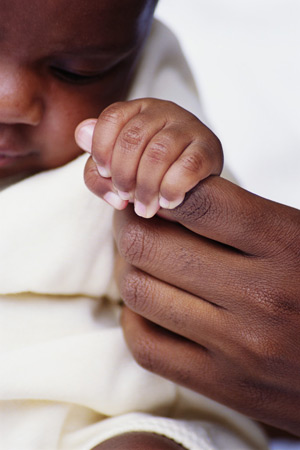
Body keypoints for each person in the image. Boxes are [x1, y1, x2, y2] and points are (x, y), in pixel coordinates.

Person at [0, 0, 270, 449]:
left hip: (104, 418)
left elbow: (236, 281)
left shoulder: (134, 121)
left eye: (77, 71)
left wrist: (170, 163)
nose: (12, 102)